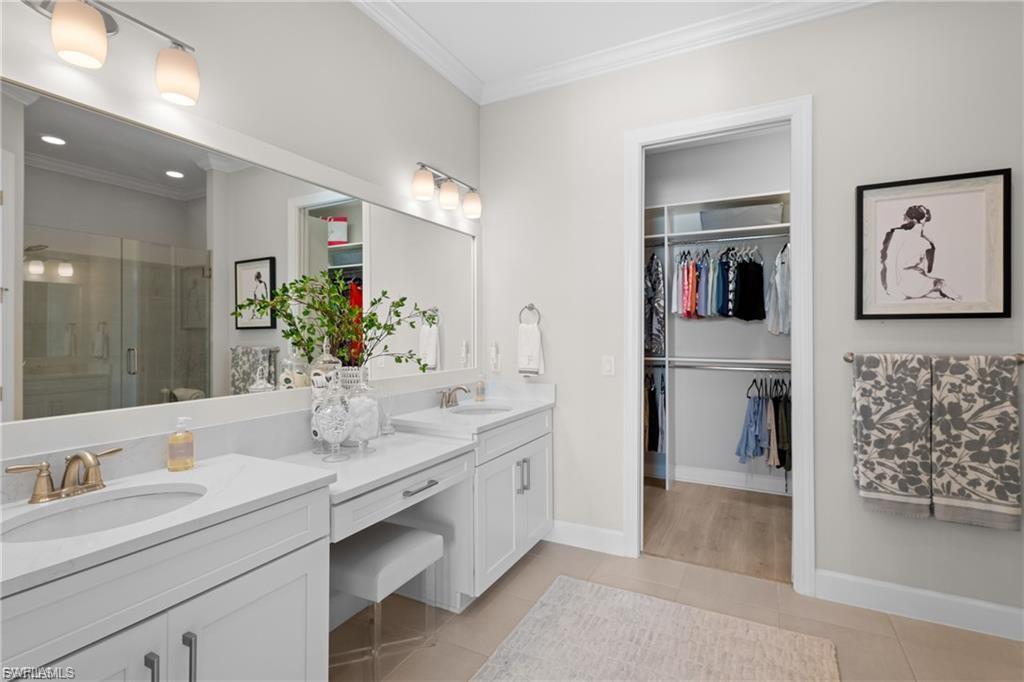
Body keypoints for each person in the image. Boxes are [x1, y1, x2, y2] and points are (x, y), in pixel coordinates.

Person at [879, 204, 959, 301]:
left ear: (907, 217)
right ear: (924, 220)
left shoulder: (894, 234)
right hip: (910, 287)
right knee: (941, 283)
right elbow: (929, 271)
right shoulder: (926, 244)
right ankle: (957, 298)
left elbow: (885, 259)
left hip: (891, 287)